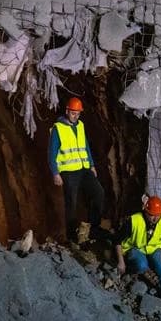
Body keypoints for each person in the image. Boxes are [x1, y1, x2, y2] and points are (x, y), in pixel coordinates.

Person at [48, 96, 107, 244]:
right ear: (67, 111)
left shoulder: (80, 125)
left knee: (99, 192)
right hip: (68, 172)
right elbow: (51, 153)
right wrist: (55, 173)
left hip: (83, 169)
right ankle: (72, 237)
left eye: (78, 113)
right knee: (71, 203)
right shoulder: (58, 129)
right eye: (73, 113)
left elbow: (85, 146)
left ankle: (93, 228)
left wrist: (92, 165)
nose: (76, 116)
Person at [116, 195, 161, 303]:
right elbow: (117, 240)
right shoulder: (134, 220)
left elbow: (160, 239)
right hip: (135, 248)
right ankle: (131, 270)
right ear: (145, 211)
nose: (155, 218)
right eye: (151, 215)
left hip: (153, 248)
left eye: (157, 215)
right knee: (141, 265)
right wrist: (121, 261)